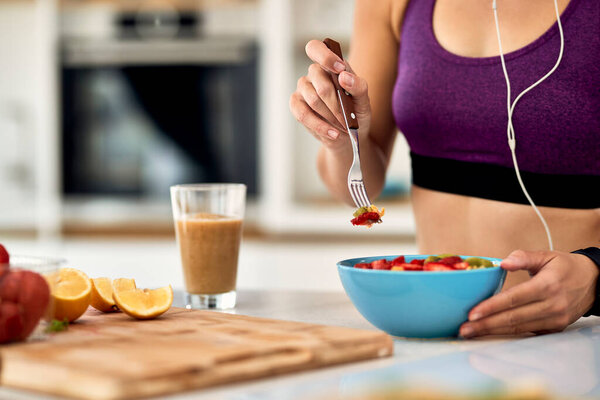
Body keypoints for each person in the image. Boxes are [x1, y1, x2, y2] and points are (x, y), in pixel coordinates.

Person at [289, 0, 600, 338]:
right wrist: (340, 140)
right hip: (436, 333)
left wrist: (596, 277)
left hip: (578, 335)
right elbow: (359, 187)